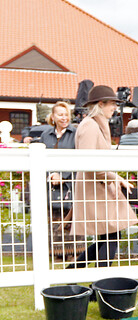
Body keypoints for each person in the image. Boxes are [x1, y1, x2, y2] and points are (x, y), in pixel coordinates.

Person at [66, 85, 138, 268]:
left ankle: (72, 274)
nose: (115, 108)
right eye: (112, 104)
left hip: (98, 186)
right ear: (100, 104)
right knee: (112, 235)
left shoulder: (96, 124)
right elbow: (89, 162)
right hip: (95, 187)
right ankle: (98, 282)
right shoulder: (90, 125)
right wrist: (115, 177)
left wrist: (115, 178)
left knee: (108, 236)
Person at [40, 102, 80, 259]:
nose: (64, 118)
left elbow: (78, 159)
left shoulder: (75, 133)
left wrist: (62, 175)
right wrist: (51, 175)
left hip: (70, 184)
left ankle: (72, 254)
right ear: (53, 116)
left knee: (70, 219)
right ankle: (56, 254)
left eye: (66, 115)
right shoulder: (45, 135)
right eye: (60, 114)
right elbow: (43, 158)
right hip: (51, 185)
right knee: (53, 218)